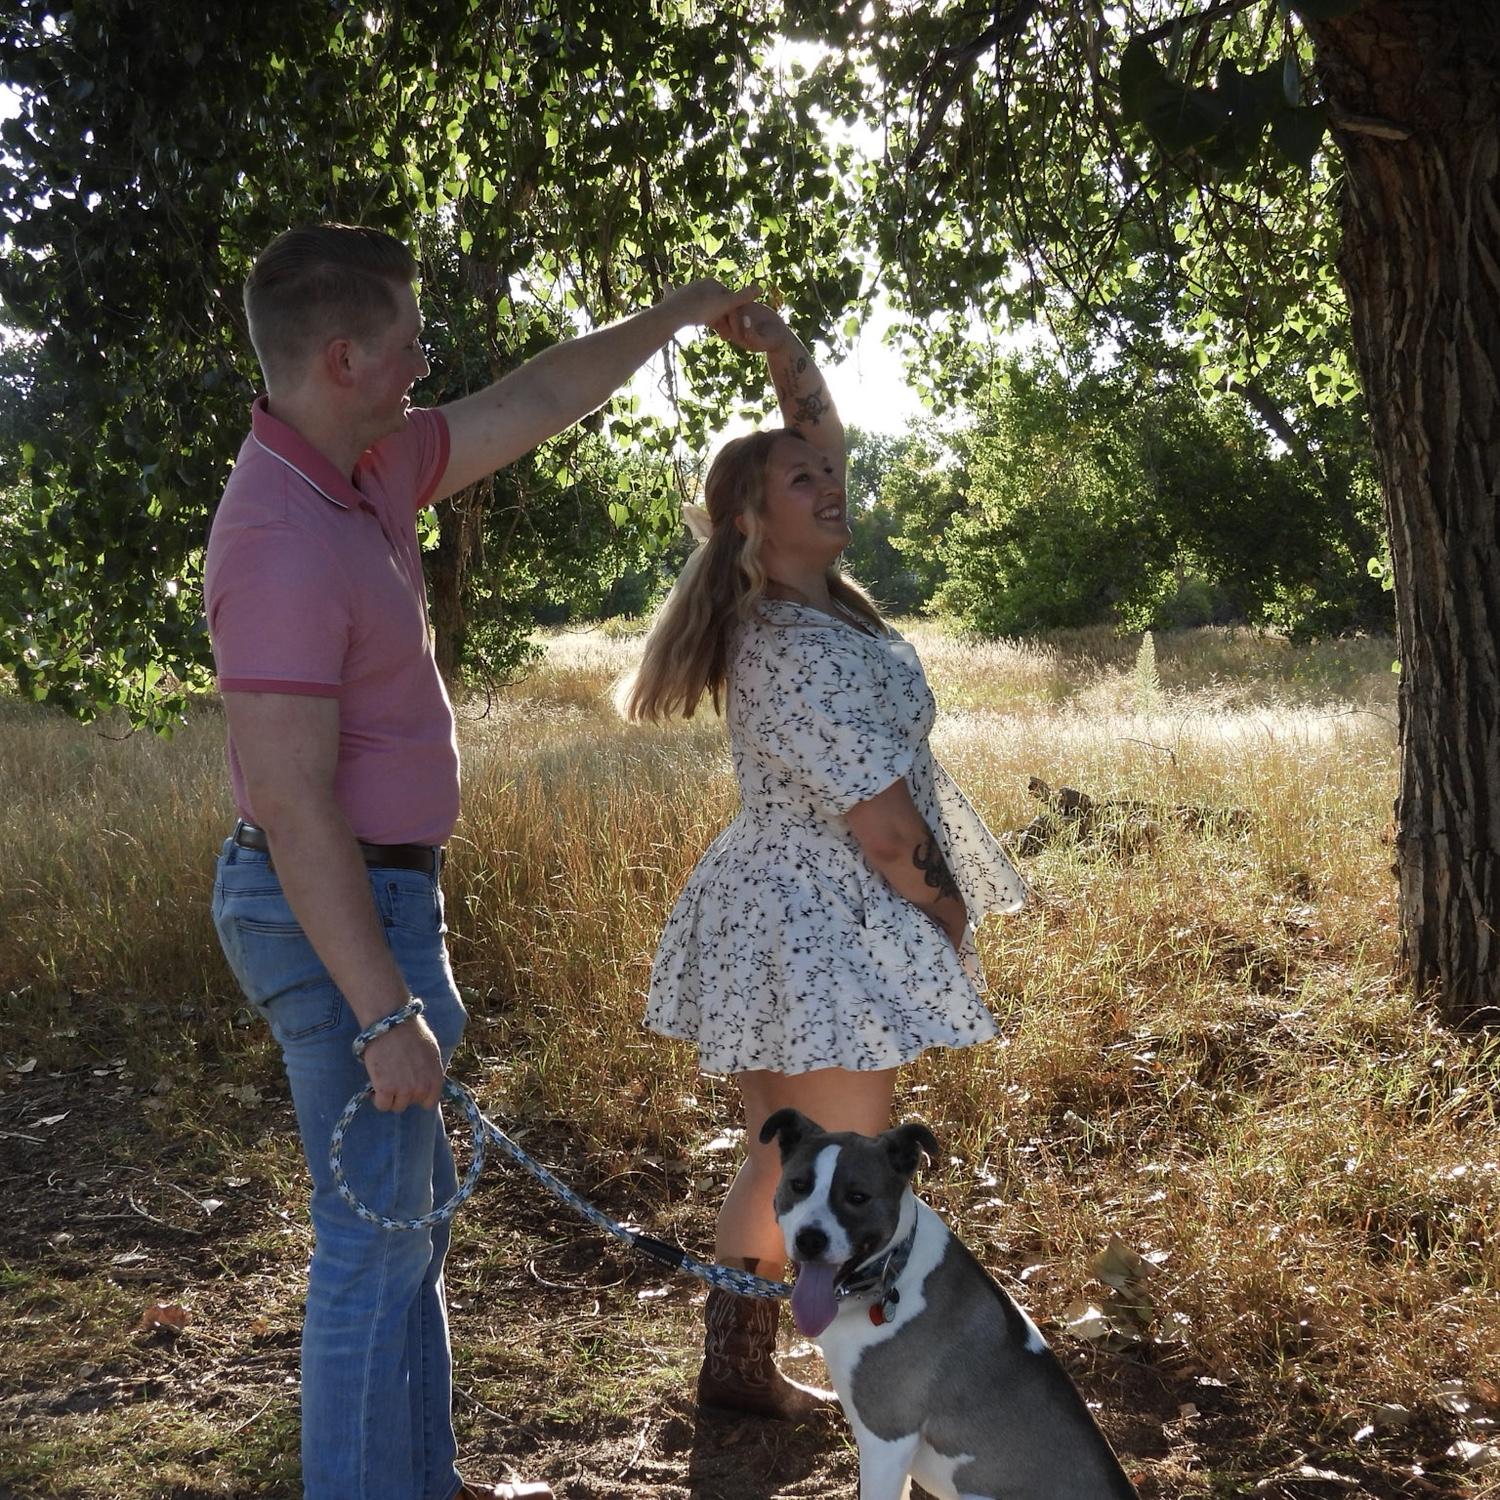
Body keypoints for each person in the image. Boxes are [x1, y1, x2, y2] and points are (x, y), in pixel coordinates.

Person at [204, 222, 757, 1500]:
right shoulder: (279, 535)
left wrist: (670, 314)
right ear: (343, 357)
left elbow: (536, 398)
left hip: (384, 897)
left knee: (410, 1223)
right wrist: (380, 1009)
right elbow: (292, 806)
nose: (424, 366)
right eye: (410, 343)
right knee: (372, 1242)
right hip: (332, 908)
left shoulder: (371, 464)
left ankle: (419, 1478)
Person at [618, 303, 1028, 1419]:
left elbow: (821, 439)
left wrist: (781, 349)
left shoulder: (805, 612)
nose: (831, 485)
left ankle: (739, 1370)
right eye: (803, 482)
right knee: (835, 1173)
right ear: (752, 522)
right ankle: (853, 1382)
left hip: (788, 906)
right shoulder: (792, 647)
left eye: (829, 473)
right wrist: (944, 917)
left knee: (784, 1160)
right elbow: (886, 830)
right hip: (818, 917)